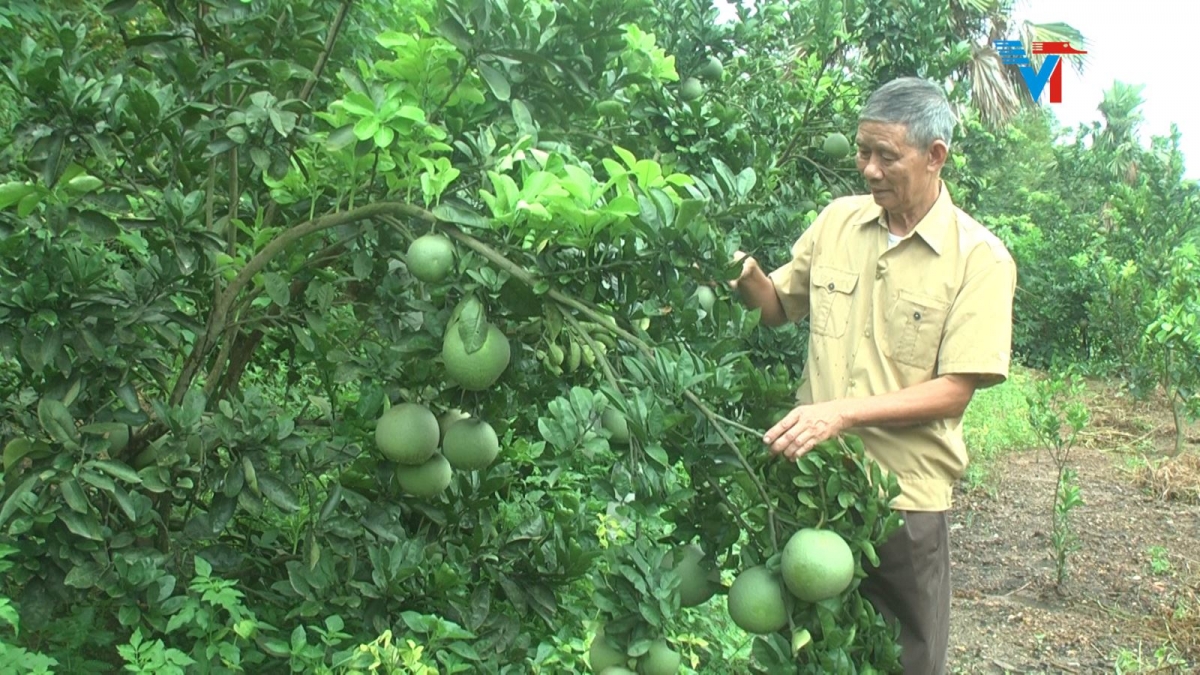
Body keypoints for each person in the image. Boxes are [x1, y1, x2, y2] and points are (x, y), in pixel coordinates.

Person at [729, 76, 1017, 675]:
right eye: (863, 151)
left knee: (905, 657)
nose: (868, 168)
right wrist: (747, 275)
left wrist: (841, 414)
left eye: (887, 155)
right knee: (809, 646)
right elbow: (779, 306)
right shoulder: (838, 222)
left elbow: (954, 389)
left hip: (903, 500)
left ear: (935, 156)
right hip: (813, 486)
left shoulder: (979, 259)